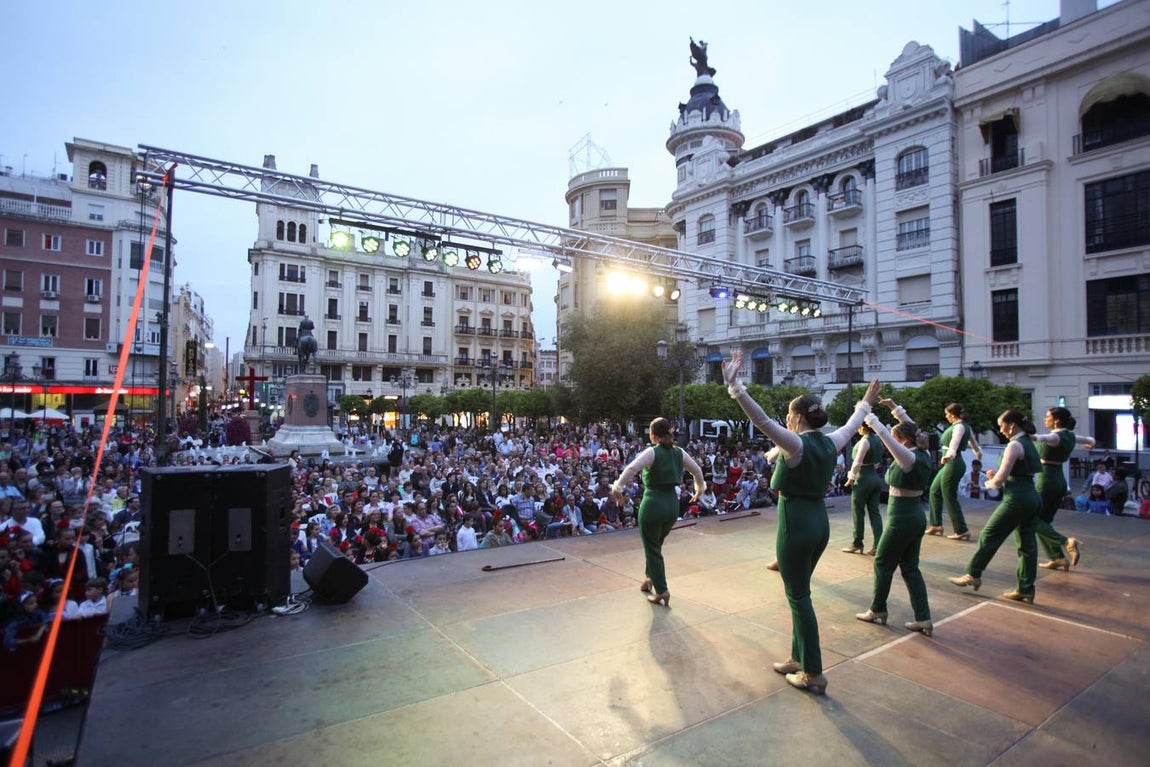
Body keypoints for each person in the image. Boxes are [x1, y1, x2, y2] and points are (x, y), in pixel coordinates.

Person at [724, 349, 880, 695]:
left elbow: (762, 421)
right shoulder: (831, 441)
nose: (787, 420)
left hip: (795, 523)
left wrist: (736, 387)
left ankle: (813, 671)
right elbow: (854, 424)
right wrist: (866, 403)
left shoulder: (795, 444)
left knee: (799, 597)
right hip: (819, 523)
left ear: (796, 417)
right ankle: (799, 656)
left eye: (790, 415)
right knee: (801, 593)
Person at [853, 398, 934, 635]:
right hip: (916, 515)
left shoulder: (908, 458)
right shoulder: (923, 453)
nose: (894, 440)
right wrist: (894, 408)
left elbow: (885, 436)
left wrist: (866, 410)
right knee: (910, 568)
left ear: (904, 441)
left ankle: (878, 608)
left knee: (883, 562)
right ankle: (923, 617)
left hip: (902, 517)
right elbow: (911, 428)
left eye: (898, 438)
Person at [610, 417, 706, 607]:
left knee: (652, 547)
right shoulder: (679, 452)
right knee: (655, 544)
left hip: (653, 504)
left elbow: (631, 469)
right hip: (672, 505)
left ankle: (662, 591)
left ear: (652, 435)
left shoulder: (652, 452)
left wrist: (617, 488)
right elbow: (697, 470)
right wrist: (699, 488)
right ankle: (649, 578)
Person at [949, 410, 1042, 603]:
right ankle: (1026, 588)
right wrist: (997, 477)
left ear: (1012, 425)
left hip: (1016, 498)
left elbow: (1000, 480)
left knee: (990, 534)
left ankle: (973, 574)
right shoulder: (1029, 443)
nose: (1000, 430)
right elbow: (1014, 472)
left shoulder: (1014, 445)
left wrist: (989, 482)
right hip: (1032, 496)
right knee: (1027, 545)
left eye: (1001, 426)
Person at [1034, 407, 1093, 570]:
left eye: (1047, 417)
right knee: (1044, 522)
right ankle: (1057, 557)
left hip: (1046, 480)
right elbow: (1090, 440)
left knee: (1031, 518)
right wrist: (1090, 444)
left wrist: (1021, 433)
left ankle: (1066, 542)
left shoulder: (1054, 436)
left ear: (1056, 420)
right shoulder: (1071, 436)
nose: (1045, 419)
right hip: (1060, 480)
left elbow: (1038, 437)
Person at [927, 403, 983, 540]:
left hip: (953, 462)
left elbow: (954, 443)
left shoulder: (959, 426)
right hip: (951, 462)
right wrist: (978, 452)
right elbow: (973, 442)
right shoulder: (965, 426)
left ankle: (961, 530)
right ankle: (936, 525)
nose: (946, 416)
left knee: (949, 496)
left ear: (952, 414)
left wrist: (949, 455)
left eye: (947, 414)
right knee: (934, 490)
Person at [842, 421, 883, 555]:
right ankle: (878, 544)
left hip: (863, 478)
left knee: (858, 512)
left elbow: (857, 461)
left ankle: (857, 543)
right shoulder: (878, 440)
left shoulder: (865, 441)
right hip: (875, 476)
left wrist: (851, 478)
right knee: (874, 512)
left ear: (863, 427)